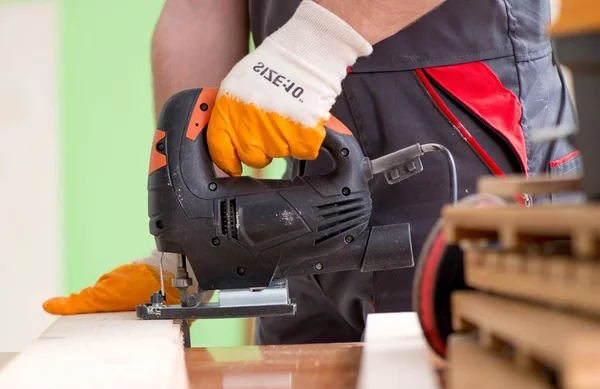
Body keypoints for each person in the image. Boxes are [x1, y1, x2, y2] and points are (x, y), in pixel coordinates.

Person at [44, 0, 581, 345]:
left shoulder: (307, 57)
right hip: (305, 164)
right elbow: (198, 9)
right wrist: (192, 229)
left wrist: (313, 47)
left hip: (462, 126)